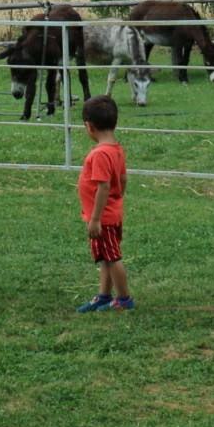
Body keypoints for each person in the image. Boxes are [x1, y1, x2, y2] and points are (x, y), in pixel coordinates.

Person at [76, 96, 133, 312]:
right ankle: (104, 295)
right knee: (106, 257)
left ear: (89, 126)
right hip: (112, 213)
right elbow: (124, 179)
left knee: (112, 258)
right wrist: (117, 202)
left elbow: (104, 186)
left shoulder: (99, 154)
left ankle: (124, 299)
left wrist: (96, 218)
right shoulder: (116, 149)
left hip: (103, 219)